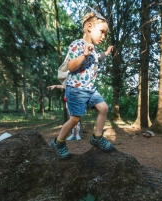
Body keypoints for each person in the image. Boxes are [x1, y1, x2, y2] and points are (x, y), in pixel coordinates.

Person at [51, 7, 114, 159]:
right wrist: (84, 55)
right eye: (102, 31)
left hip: (90, 89)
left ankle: (96, 137)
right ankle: (58, 142)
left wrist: (105, 53)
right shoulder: (77, 45)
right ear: (89, 27)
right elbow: (71, 66)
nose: (104, 36)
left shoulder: (93, 50)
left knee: (104, 108)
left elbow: (97, 58)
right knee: (75, 119)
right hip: (76, 89)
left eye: (105, 33)